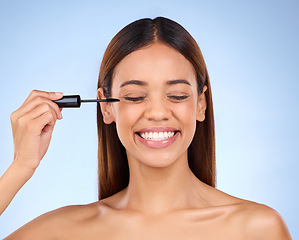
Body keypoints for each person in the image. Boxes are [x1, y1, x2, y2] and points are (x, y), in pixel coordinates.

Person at [1, 17, 291, 239]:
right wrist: (21, 166)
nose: (156, 112)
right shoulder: (62, 231)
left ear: (201, 104)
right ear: (106, 106)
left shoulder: (258, 228)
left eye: (177, 95)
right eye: (135, 97)